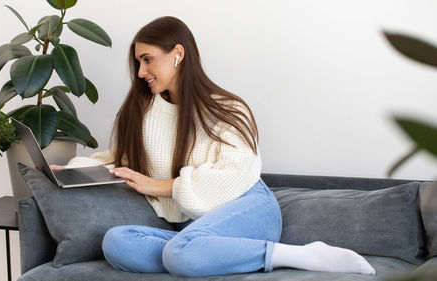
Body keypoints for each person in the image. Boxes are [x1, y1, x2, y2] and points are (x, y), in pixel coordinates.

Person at [51, 16, 376, 278]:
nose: (141, 72)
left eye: (148, 60)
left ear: (178, 54)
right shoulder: (142, 111)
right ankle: (202, 255)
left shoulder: (227, 109)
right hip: (190, 229)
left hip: (248, 208)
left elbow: (235, 174)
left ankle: (298, 255)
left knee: (179, 252)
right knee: (117, 242)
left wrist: (163, 187)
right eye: (138, 62)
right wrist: (72, 171)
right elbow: (119, 161)